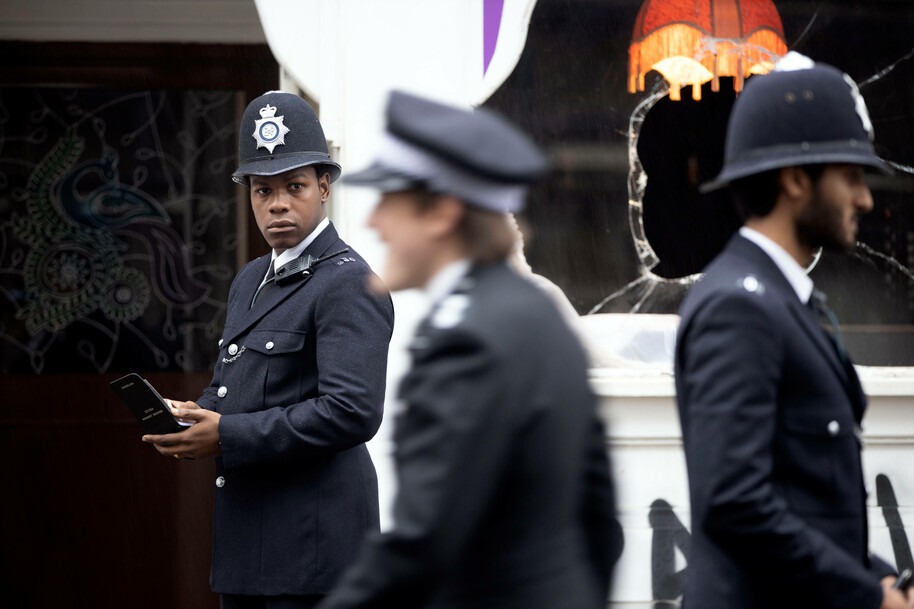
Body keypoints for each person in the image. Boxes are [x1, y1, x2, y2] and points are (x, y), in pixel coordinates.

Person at [315, 90, 621, 609]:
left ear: (441, 213)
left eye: (390, 200)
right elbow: (601, 526)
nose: (374, 222)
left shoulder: (465, 338)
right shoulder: (539, 311)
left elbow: (422, 545)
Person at [675, 53, 913, 609]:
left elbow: (808, 503)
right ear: (796, 179)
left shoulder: (781, 301)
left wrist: (881, 580)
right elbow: (736, 503)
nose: (865, 199)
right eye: (851, 176)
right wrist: (866, 595)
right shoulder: (740, 307)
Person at [142, 90, 394, 609]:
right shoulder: (252, 278)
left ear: (324, 187)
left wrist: (226, 433)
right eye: (262, 190)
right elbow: (233, 383)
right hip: (249, 542)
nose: (277, 203)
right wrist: (197, 414)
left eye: (294, 186)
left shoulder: (347, 283)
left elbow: (352, 413)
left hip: (315, 550)